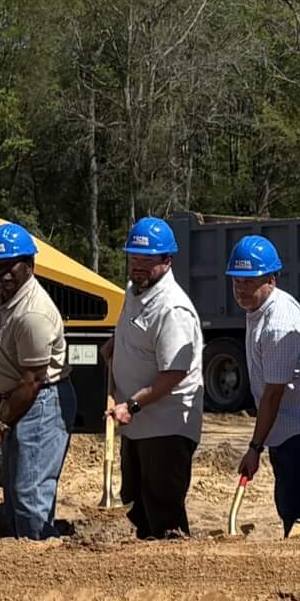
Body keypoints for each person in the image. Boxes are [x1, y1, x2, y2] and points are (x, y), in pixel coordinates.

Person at [225, 234, 300, 537]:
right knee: (287, 503)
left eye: (250, 281)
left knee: (292, 505)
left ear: (271, 279)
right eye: (237, 281)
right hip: (286, 426)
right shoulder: (261, 310)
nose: (242, 289)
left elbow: (273, 395)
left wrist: (254, 448)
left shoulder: (278, 326)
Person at [105, 216, 203, 539]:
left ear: (167, 260)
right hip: (138, 427)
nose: (137, 267)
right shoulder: (135, 291)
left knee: (164, 512)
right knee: (136, 506)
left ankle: (175, 581)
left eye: (146, 261)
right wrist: (114, 346)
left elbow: (173, 374)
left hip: (166, 427)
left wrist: (131, 405)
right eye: (134, 258)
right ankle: (145, 581)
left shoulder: (173, 308)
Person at [0, 222, 72, 541]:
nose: (3, 274)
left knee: (30, 491)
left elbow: (32, 381)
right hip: (18, 400)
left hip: (40, 401)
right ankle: (24, 561)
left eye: (11, 266)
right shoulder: (0, 296)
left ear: (30, 265)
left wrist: (1, 425)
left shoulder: (33, 313)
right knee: (17, 492)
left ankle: (39, 560)